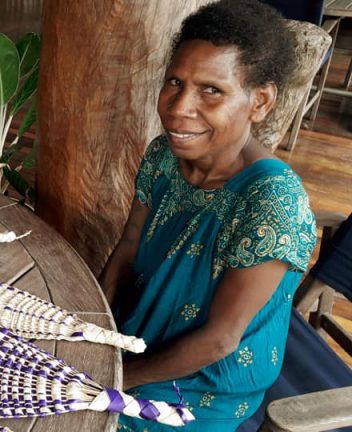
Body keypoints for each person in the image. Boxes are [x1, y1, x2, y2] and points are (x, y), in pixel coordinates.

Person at [98, 1, 317, 430]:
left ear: (260, 100)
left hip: (205, 383)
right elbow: (127, 249)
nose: (179, 107)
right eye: (174, 82)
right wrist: (94, 335)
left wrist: (114, 377)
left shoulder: (271, 202)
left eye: (211, 90)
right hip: (135, 337)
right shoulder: (164, 156)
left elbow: (220, 340)